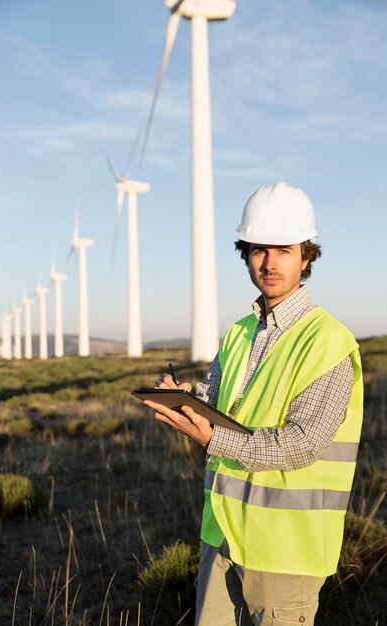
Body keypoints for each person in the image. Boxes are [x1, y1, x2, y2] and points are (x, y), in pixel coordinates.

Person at [144, 181, 363, 626]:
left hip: (286, 549)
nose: (270, 263)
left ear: (306, 256)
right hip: (223, 532)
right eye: (259, 250)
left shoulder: (328, 341)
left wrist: (213, 439)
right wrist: (188, 400)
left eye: (284, 250)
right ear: (245, 254)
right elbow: (220, 398)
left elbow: (303, 443)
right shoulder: (240, 332)